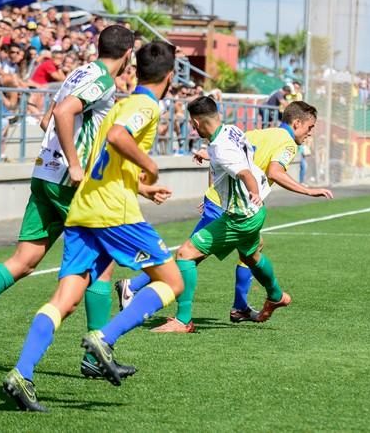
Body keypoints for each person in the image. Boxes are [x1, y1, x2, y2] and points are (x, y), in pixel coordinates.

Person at [0, 25, 135, 370]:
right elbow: (61, 113)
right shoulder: (102, 79)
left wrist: (63, 152)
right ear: (128, 54)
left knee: (24, 259)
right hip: (68, 182)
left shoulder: (78, 71)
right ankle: (95, 356)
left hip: (44, 174)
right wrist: (75, 162)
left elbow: (45, 120)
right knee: (102, 265)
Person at [2, 41, 181, 411]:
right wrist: (151, 166)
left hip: (84, 208)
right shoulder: (144, 105)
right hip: (113, 212)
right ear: (170, 76)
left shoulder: (117, 104)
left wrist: (142, 186)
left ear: (135, 69)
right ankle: (105, 336)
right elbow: (119, 140)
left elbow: (106, 156)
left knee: (64, 300)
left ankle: (22, 372)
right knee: (172, 281)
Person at [119, 101, 333, 333]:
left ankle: (183, 318)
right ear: (297, 122)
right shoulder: (283, 143)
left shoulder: (257, 132)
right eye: (310, 127)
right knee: (229, 254)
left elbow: (241, 162)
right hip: (240, 207)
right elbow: (258, 166)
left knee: (189, 255)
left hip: (238, 208)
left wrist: (219, 170)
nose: (310, 133)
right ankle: (271, 296)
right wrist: (307, 190)